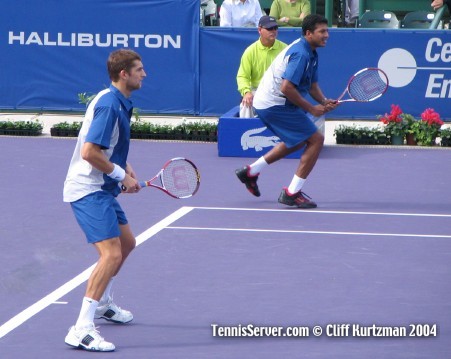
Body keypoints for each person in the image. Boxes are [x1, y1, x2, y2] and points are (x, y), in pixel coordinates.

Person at [63, 49, 146, 352]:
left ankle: (102, 304)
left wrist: (125, 170)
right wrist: (120, 176)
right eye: (139, 69)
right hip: (88, 189)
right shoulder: (111, 106)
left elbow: (109, 146)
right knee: (110, 255)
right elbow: (89, 152)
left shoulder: (116, 100)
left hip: (101, 186)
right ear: (124, 74)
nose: (144, 74)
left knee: (126, 244)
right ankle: (81, 328)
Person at [235, 14, 339, 208]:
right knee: (316, 140)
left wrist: (324, 102)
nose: (327, 35)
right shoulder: (301, 54)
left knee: (298, 139)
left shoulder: (311, 52)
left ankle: (250, 172)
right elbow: (286, 88)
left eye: (327, 31)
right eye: (322, 31)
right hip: (273, 104)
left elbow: (311, 85)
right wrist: (311, 108)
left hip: (275, 103)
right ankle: (292, 193)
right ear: (309, 33)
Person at [237, 15, 287, 117]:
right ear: (259, 30)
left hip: (278, 91)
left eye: (275, 28)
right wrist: (246, 92)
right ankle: (245, 130)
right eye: (269, 28)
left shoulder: (285, 49)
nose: (273, 31)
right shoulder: (250, 51)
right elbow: (242, 76)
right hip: (257, 90)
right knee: (246, 104)